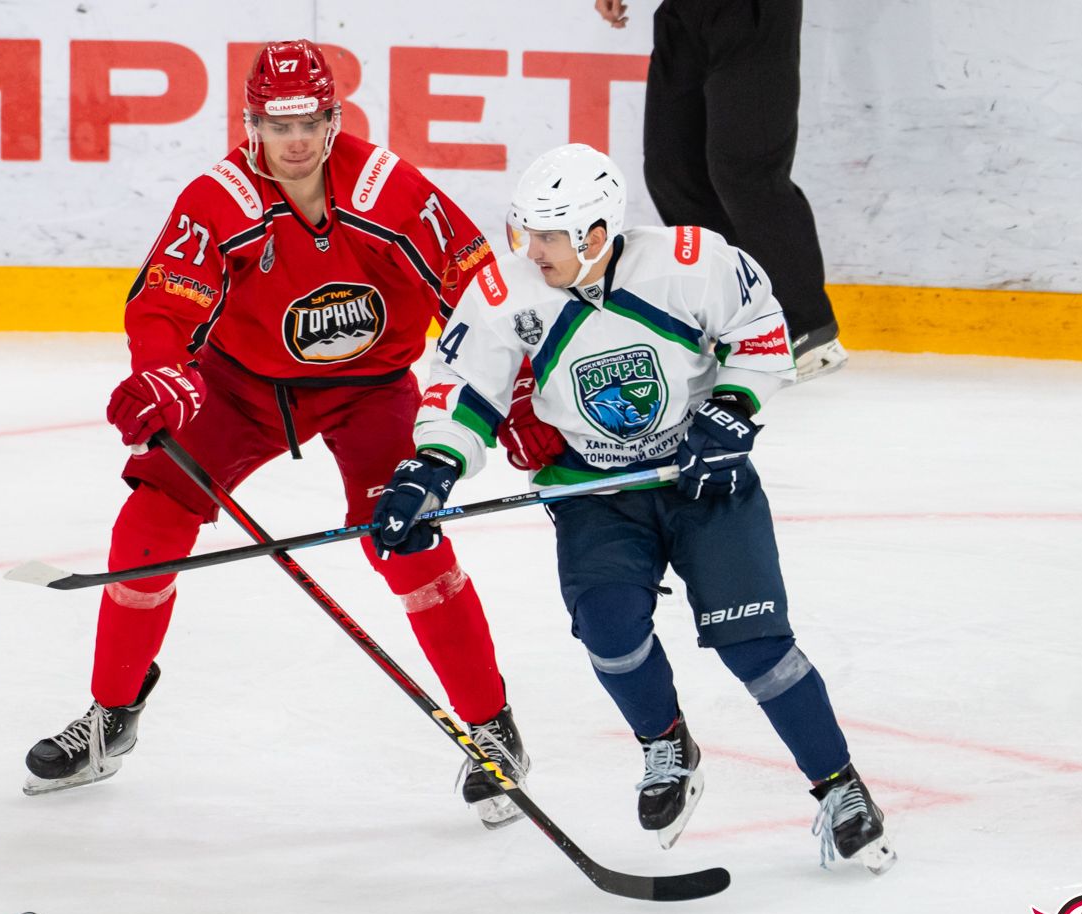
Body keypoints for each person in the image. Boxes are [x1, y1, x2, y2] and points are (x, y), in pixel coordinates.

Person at [23, 40, 531, 830]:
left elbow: (478, 295)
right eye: (277, 124)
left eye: (309, 123)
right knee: (150, 522)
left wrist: (517, 398)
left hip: (371, 389)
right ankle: (111, 716)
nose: (294, 141)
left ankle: (493, 729)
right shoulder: (220, 198)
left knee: (408, 539)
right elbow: (162, 308)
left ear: (335, 119)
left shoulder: (390, 190)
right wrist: (161, 374)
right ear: (251, 123)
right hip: (243, 388)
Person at [373, 143, 895, 872]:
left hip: (702, 479)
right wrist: (430, 468)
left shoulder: (691, 262)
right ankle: (666, 743)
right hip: (594, 493)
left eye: (548, 237)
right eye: (526, 232)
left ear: (595, 235)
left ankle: (840, 786)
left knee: (755, 646)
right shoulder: (505, 294)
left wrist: (731, 412)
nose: (531, 250)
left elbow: (761, 331)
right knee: (609, 629)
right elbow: (464, 390)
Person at [592, 0, 847, 381]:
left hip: (750, 13)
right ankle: (738, 315)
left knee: (746, 169)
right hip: (683, 14)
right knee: (673, 169)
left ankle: (807, 329)